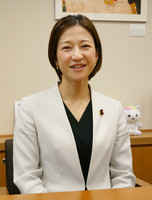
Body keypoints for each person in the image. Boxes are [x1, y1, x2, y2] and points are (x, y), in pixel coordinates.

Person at [13, 14, 136, 194]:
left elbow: (123, 175)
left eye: (85, 46)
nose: (77, 55)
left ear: (96, 54)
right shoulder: (30, 107)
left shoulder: (114, 108)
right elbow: (27, 177)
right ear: (55, 58)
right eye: (67, 48)